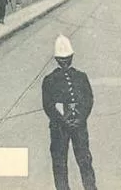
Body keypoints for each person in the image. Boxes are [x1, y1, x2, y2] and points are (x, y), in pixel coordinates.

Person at [42, 35, 97, 190]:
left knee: (85, 161)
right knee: (59, 163)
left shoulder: (81, 77)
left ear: (72, 57)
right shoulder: (49, 80)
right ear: (56, 59)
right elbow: (48, 106)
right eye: (61, 59)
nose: (65, 62)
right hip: (59, 128)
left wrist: (80, 119)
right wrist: (64, 121)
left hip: (79, 126)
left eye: (67, 58)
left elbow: (88, 99)